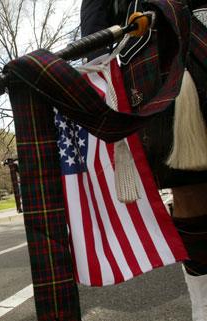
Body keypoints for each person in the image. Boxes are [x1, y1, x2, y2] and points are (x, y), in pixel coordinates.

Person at [80, 0, 207, 320]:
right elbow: (96, 21)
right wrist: (105, 75)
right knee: (190, 189)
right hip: (159, 56)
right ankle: (203, 307)